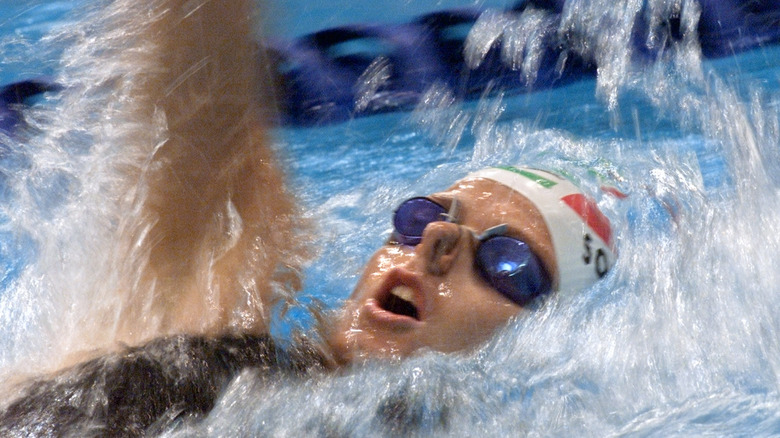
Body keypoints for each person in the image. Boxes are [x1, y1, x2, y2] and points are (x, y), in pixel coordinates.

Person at [0, 0, 616, 435]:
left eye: (505, 263)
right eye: (423, 213)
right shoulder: (218, 348)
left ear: (549, 346)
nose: (436, 237)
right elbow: (195, 81)